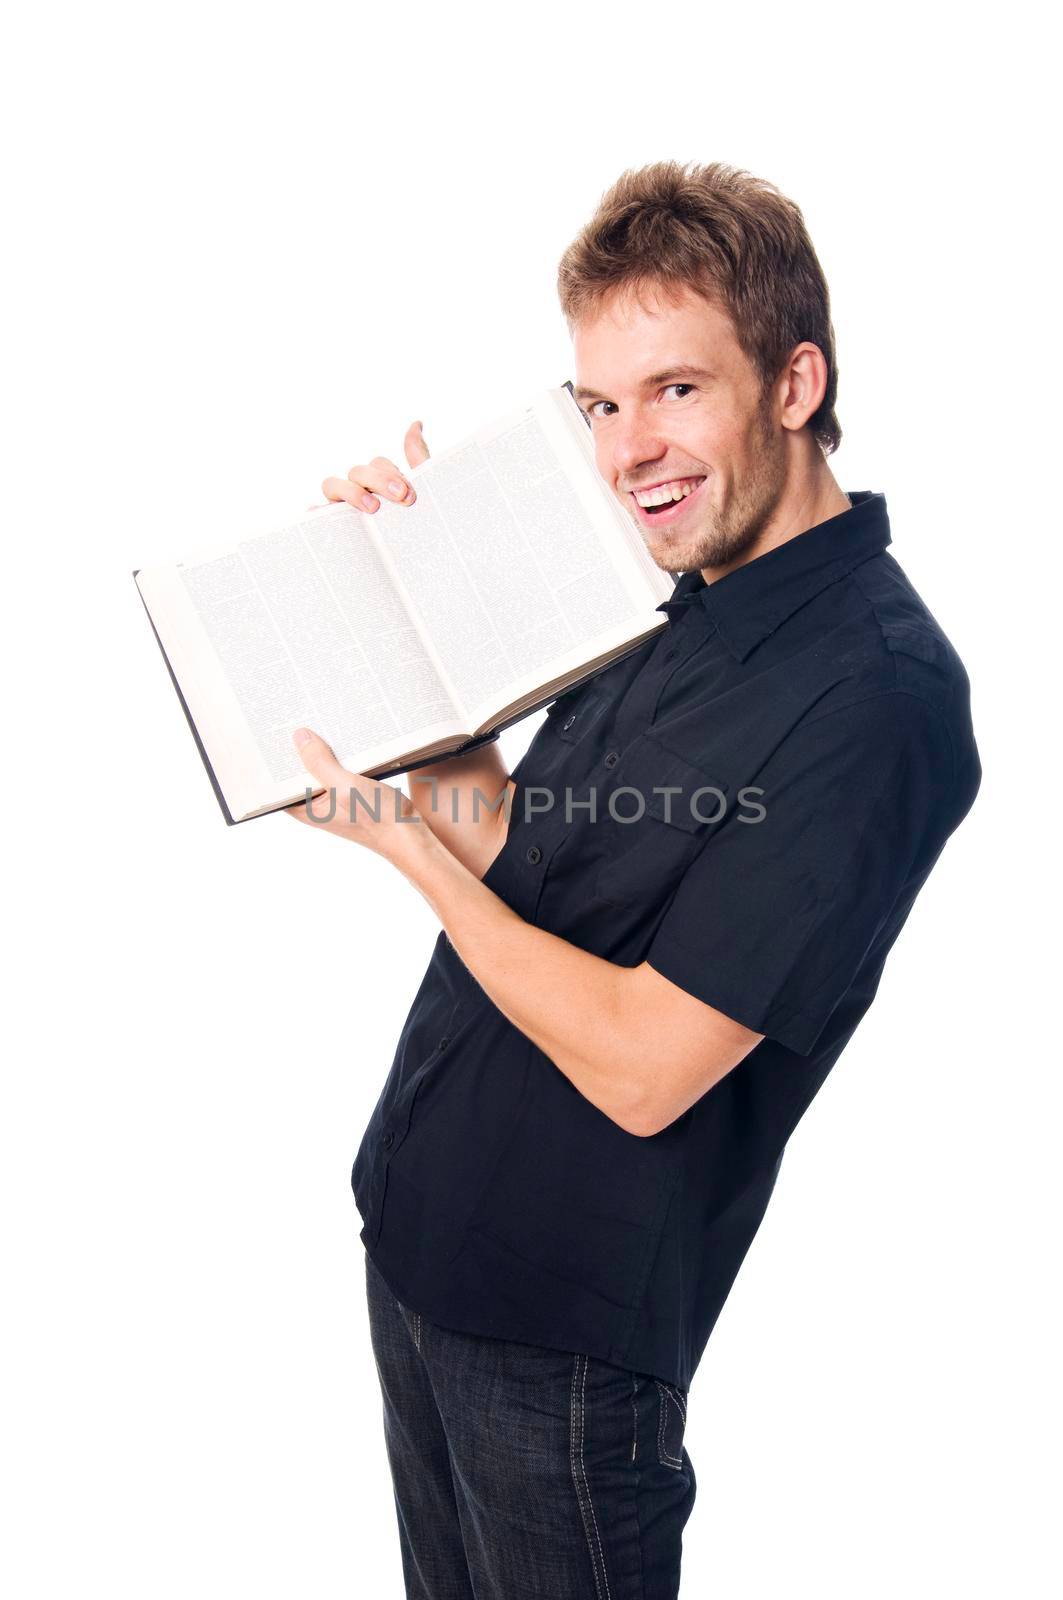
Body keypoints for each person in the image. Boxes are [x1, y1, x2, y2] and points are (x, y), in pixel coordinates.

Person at [286, 161, 982, 1598]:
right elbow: (508, 849)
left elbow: (648, 1069)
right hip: (419, 1258)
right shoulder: (680, 585)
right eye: (601, 405)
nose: (624, 453)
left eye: (674, 391)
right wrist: (402, 616)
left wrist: (398, 847)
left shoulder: (882, 697)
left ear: (795, 384)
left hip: (562, 1360)